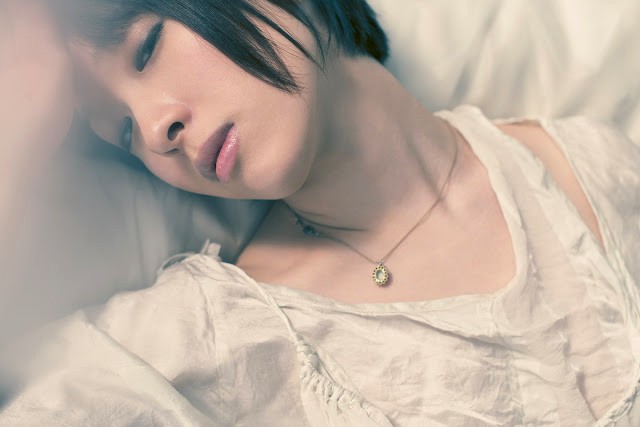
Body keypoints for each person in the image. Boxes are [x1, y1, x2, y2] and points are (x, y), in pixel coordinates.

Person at [1, 0, 639, 425]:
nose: (153, 128)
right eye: (122, 132)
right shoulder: (210, 335)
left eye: (146, 49)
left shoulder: (594, 163)